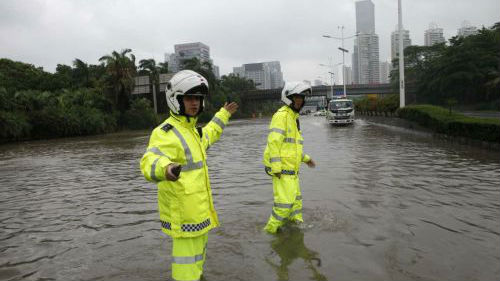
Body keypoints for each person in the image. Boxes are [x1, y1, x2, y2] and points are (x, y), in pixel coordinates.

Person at [140, 70, 238, 281]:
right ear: (176, 100)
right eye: (190, 98)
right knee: (185, 271)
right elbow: (149, 160)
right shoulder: (165, 132)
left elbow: (210, 133)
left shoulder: (193, 132)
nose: (195, 103)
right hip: (184, 216)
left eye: (199, 99)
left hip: (200, 213)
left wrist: (223, 114)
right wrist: (165, 168)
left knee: (197, 264)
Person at [263, 81, 316, 234]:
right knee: (283, 204)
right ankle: (270, 232)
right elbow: (274, 143)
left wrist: (306, 159)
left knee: (296, 203)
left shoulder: (294, 118)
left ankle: (296, 228)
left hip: (292, 171)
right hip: (282, 170)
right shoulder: (281, 116)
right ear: (288, 98)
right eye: (297, 97)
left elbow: (292, 147)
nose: (300, 100)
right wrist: (276, 168)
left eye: (301, 97)